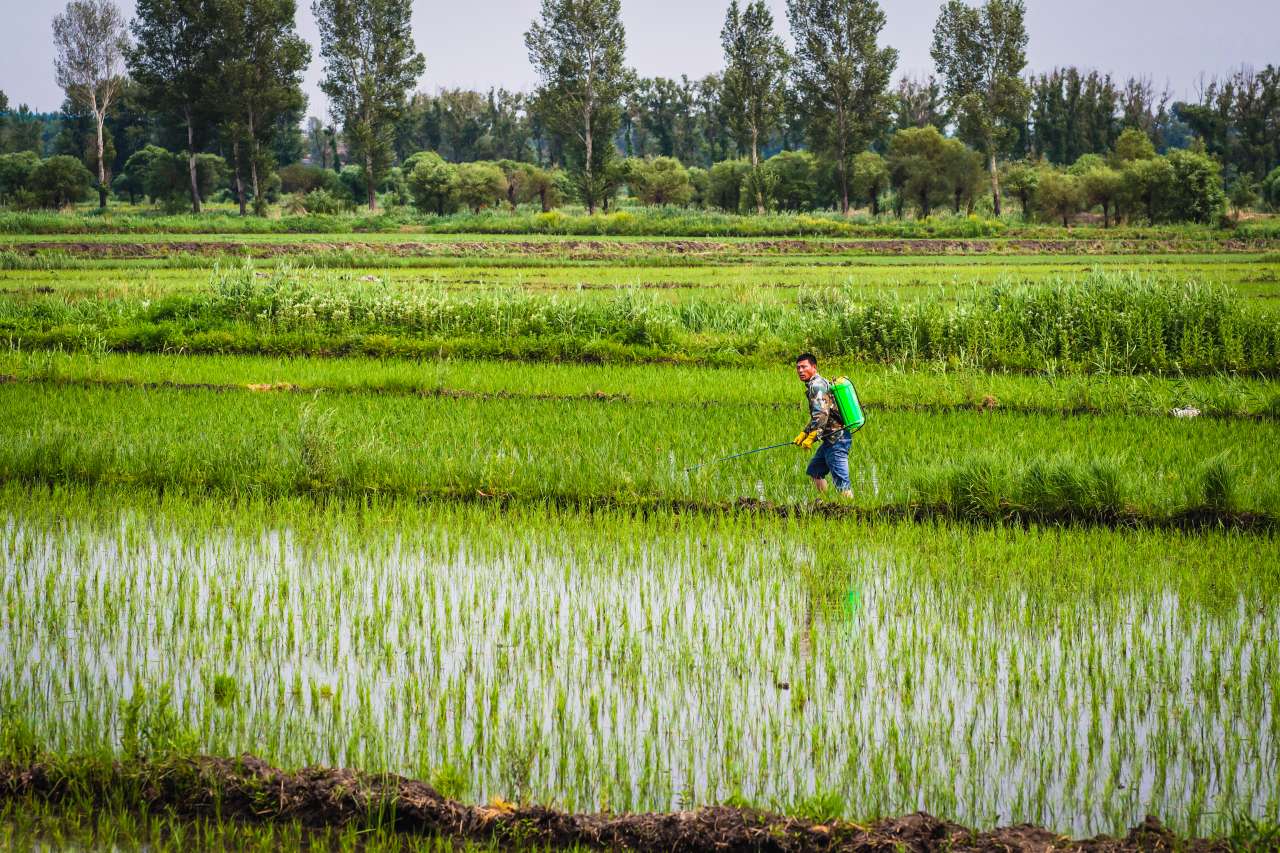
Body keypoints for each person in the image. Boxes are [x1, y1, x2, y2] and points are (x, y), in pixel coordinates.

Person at [792, 353, 852, 498]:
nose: (800, 370)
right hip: (829, 439)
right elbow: (819, 415)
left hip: (837, 438)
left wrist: (812, 437)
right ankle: (826, 505)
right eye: (798, 367)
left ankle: (851, 511)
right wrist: (804, 433)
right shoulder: (816, 383)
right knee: (815, 471)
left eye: (804, 367)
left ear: (814, 367)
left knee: (842, 482)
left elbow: (821, 414)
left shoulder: (817, 385)